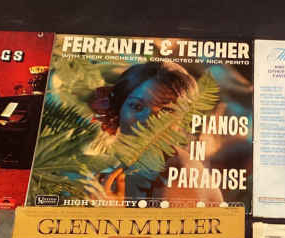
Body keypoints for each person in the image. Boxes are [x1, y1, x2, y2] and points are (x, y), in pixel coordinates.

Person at [84, 61, 223, 203]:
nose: (149, 120)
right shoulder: (124, 164)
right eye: (137, 106)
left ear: (183, 118)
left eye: (166, 111)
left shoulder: (179, 172)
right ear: (118, 109)